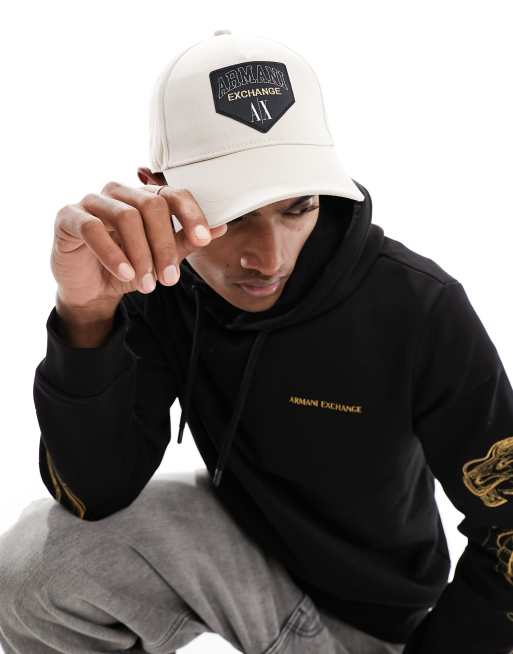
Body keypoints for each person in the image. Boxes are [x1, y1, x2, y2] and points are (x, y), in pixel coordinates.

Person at [1, 30, 513, 654]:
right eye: (232, 215)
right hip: (247, 547)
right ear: (157, 188)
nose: (269, 259)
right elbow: (94, 494)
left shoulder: (418, 306)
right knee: (32, 564)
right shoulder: (158, 285)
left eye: (297, 208)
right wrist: (86, 316)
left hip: (370, 622)